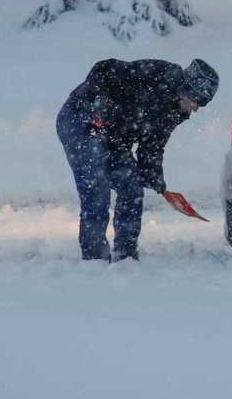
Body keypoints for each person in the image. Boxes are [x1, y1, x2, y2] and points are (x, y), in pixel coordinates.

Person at [56, 57, 219, 261]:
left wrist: (155, 180)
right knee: (97, 188)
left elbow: (153, 147)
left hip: (112, 137)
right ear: (188, 89)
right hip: (81, 119)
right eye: (198, 101)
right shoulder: (159, 74)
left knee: (132, 187)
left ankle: (126, 255)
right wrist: (100, 103)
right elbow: (104, 68)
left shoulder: (174, 112)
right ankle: (95, 257)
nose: (195, 108)